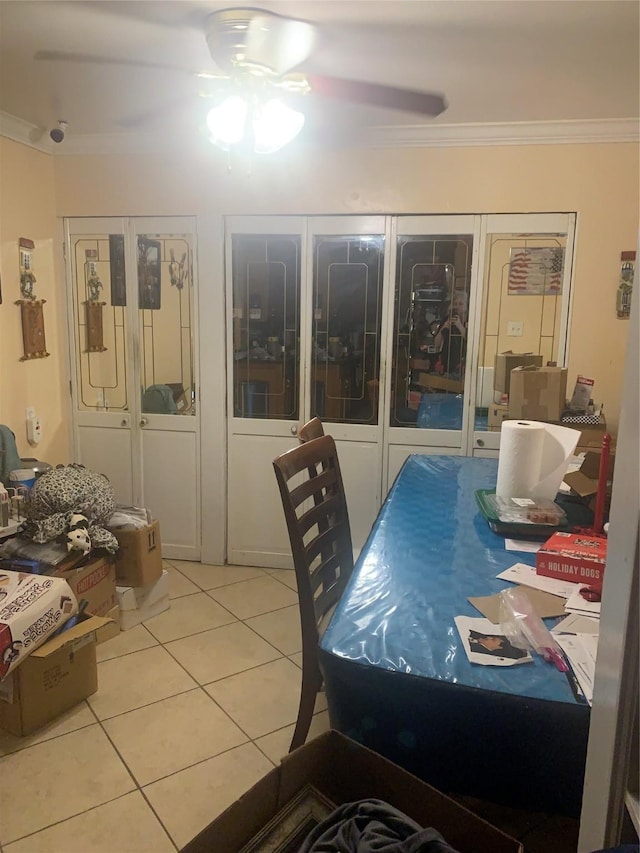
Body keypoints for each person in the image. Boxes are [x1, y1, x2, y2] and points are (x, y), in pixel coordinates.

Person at [433, 290, 468, 378]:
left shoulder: (469, 322)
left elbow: (471, 342)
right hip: (446, 365)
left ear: (466, 307)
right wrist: (443, 328)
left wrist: (460, 326)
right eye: (455, 304)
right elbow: (436, 344)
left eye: (460, 304)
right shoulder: (446, 320)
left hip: (462, 367)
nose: (457, 307)